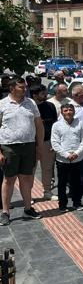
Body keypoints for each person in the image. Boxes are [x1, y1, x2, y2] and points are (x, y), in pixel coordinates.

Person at [0, 78, 44, 224]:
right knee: (9, 179)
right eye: (21, 87)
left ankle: (28, 208)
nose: (25, 90)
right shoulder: (2, 104)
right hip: (9, 146)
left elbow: (39, 126)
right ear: (12, 88)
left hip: (29, 146)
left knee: (26, 178)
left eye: (25, 87)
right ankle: (5, 212)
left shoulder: (30, 103)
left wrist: (39, 146)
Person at [51, 104, 83, 212]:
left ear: (74, 111)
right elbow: (55, 143)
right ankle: (62, 205)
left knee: (77, 182)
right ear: (62, 113)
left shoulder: (80, 124)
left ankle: (77, 203)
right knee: (62, 183)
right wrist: (66, 155)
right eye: (65, 110)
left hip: (77, 158)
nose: (68, 112)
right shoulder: (56, 125)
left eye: (70, 110)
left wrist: (76, 153)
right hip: (62, 159)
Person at [31, 84, 57, 200]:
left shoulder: (50, 106)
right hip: (31, 143)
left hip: (47, 142)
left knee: (47, 168)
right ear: (34, 95)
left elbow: (55, 125)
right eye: (43, 94)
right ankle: (28, 195)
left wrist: (54, 142)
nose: (46, 95)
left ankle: (47, 192)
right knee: (30, 170)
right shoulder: (29, 107)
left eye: (46, 93)